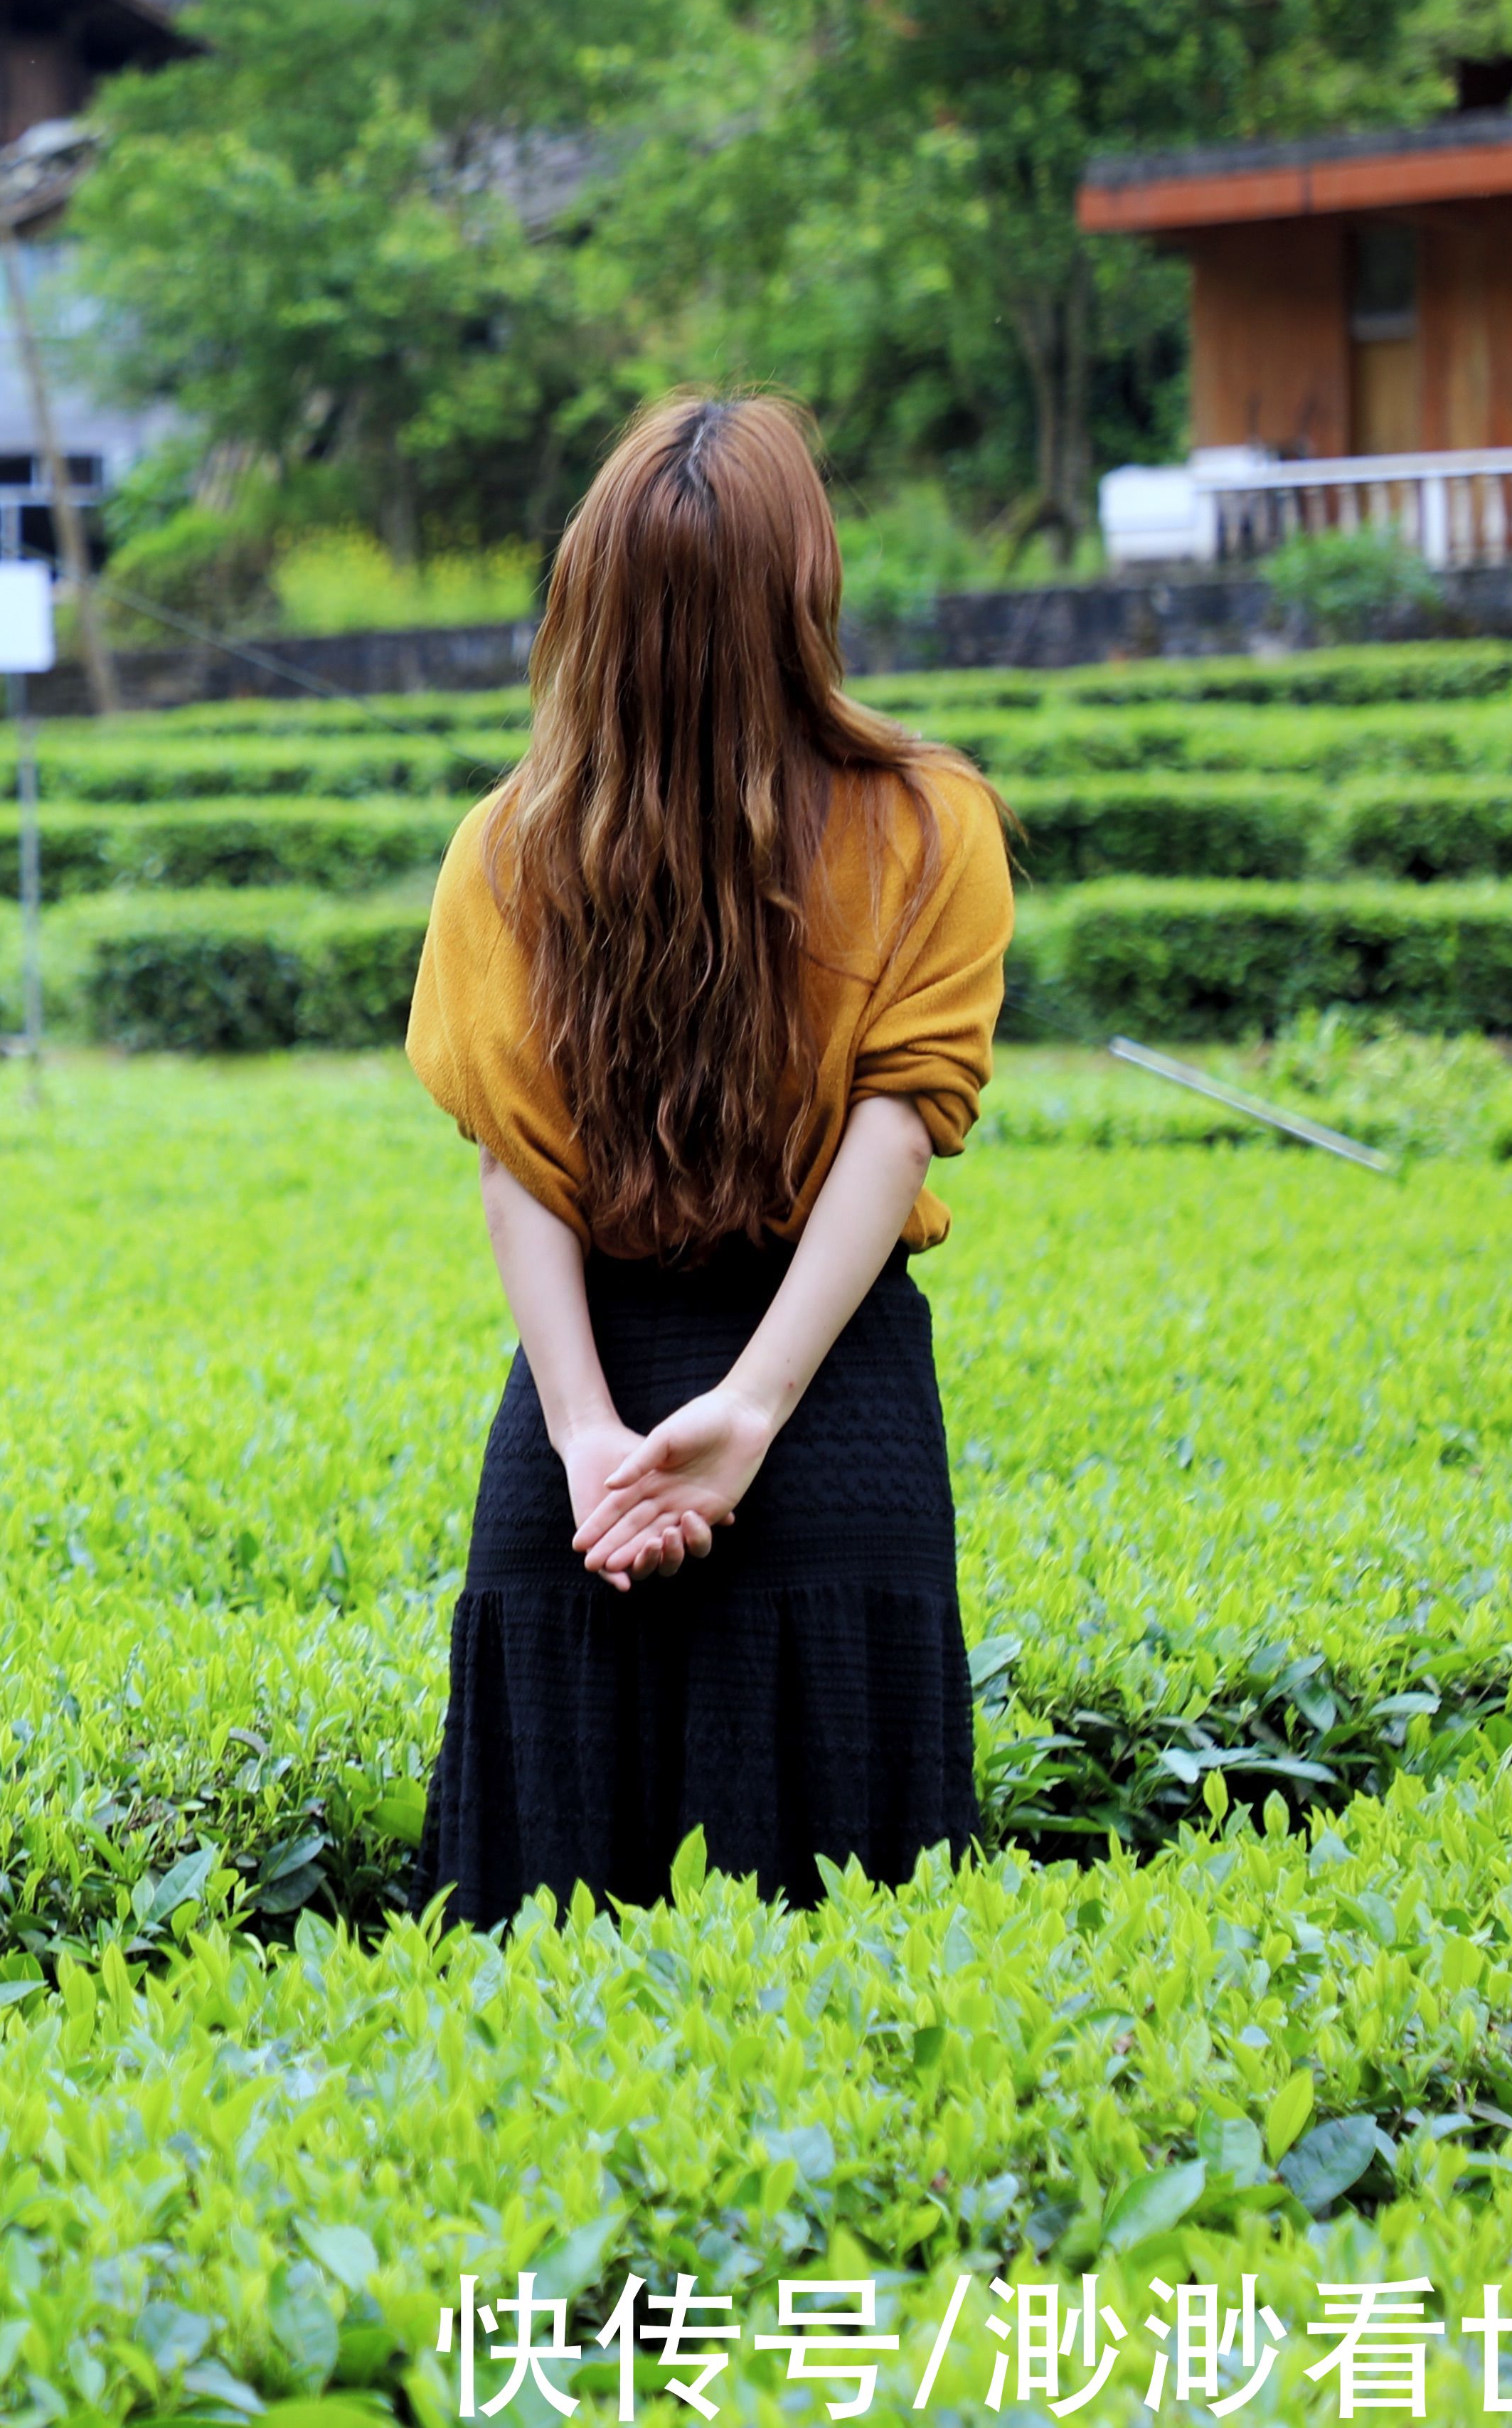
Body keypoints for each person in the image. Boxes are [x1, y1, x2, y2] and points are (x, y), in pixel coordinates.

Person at [404, 392, 1016, 1926]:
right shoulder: (932, 825)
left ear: (587, 602)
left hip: (583, 1432)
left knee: (542, 1927)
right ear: (806, 597)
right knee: (847, 1948)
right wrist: (750, 1408)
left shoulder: (506, 848)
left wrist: (583, 1432)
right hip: (834, 1407)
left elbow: (516, 1158)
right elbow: (900, 1116)